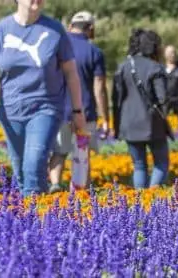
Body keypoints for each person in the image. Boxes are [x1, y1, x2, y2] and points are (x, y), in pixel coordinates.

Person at [0, 0, 86, 196]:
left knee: (34, 163)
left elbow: (71, 72)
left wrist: (77, 110)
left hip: (46, 108)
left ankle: (33, 219)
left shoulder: (55, 30)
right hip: (11, 111)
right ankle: (37, 217)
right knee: (21, 173)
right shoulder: (1, 30)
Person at [47, 11, 108, 192]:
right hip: (85, 110)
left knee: (58, 151)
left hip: (59, 111)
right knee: (81, 154)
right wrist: (106, 117)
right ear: (91, 29)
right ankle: (80, 195)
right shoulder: (94, 52)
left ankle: (55, 184)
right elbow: (99, 87)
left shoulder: (56, 49)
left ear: (70, 27)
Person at [112, 29, 172, 189]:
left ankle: (140, 200)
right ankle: (152, 196)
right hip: (152, 123)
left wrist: (117, 126)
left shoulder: (123, 67)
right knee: (161, 162)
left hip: (129, 123)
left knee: (139, 165)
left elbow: (116, 99)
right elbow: (162, 98)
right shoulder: (155, 68)